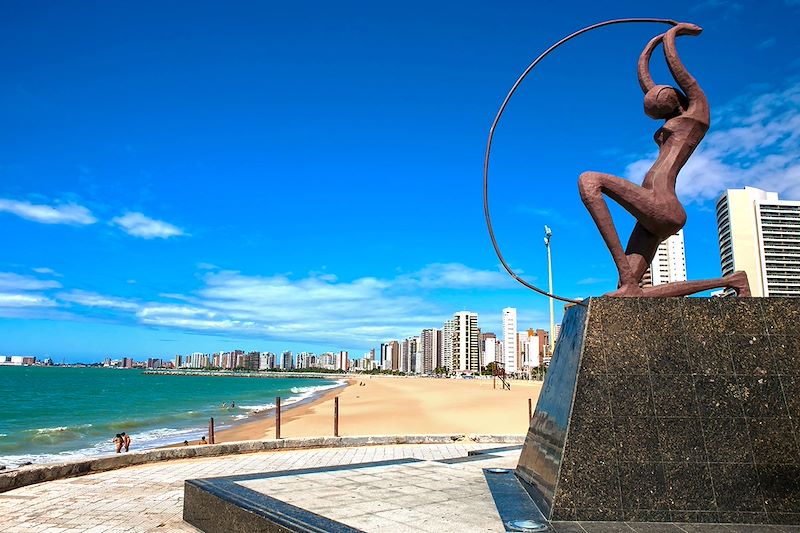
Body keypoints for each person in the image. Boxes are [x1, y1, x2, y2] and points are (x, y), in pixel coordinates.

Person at [577, 22, 749, 297]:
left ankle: (624, 271)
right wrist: (649, 48)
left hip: (663, 204)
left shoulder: (696, 118)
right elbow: (647, 83)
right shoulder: (673, 115)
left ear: (674, 99)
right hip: (653, 211)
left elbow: (684, 78)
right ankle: (733, 281)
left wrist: (672, 36)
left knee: (590, 181)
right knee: (630, 295)